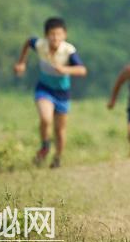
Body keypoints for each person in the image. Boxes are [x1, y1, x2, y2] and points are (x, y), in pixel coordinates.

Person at [14, 17, 87, 169]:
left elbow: (82, 70)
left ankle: (58, 157)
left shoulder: (69, 51)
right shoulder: (41, 45)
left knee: (60, 130)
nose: (55, 38)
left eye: (59, 34)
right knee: (46, 118)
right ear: (46, 35)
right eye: (52, 34)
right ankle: (45, 145)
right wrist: (21, 62)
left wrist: (65, 69)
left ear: (65, 35)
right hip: (44, 88)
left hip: (62, 93)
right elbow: (28, 42)